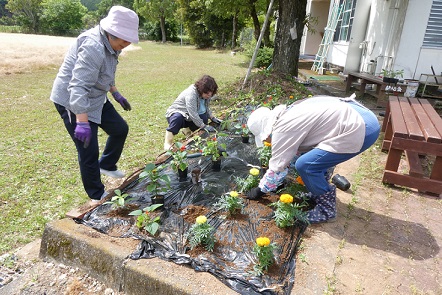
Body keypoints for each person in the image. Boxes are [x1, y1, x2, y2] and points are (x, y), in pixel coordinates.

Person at [50, 6, 139, 203]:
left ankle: (106, 164)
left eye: (128, 40)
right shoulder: (93, 46)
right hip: (73, 100)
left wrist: (115, 93)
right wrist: (81, 122)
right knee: (88, 149)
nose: (126, 44)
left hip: (96, 96)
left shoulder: (113, 44)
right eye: (124, 39)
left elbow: (105, 72)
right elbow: (77, 87)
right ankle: (97, 195)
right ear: (111, 33)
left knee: (119, 129)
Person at [246, 94, 380, 224]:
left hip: (360, 127)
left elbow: (278, 167)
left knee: (306, 165)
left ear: (267, 132)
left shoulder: (283, 128)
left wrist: (261, 189)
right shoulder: (290, 112)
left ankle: (326, 210)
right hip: (362, 115)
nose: (267, 142)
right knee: (314, 159)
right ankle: (318, 191)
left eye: (264, 139)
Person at [164, 75, 223, 150]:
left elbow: (206, 108)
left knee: (204, 118)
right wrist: (204, 126)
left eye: (211, 93)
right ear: (202, 89)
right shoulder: (191, 94)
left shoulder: (206, 95)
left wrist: (212, 117)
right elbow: (193, 113)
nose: (209, 95)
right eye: (207, 93)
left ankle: (188, 131)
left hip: (189, 116)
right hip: (179, 113)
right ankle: (167, 142)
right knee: (177, 118)